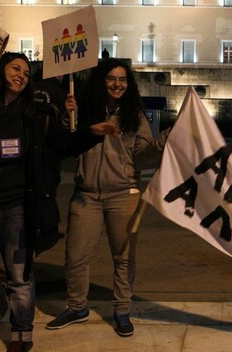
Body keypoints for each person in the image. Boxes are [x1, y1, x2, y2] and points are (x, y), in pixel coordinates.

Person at [0, 52, 107, 352]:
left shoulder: (36, 114)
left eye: (27, 73)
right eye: (16, 68)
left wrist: (90, 132)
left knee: (19, 275)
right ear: (1, 71)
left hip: (16, 206)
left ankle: (21, 334)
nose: (22, 75)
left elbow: (64, 144)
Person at [46, 58, 170, 337]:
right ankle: (77, 306)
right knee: (75, 257)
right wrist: (67, 118)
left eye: (123, 80)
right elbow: (66, 143)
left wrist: (163, 141)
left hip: (123, 193)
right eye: (112, 79)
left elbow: (141, 155)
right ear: (102, 81)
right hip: (86, 194)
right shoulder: (85, 110)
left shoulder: (134, 116)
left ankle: (122, 310)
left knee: (124, 257)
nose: (117, 84)